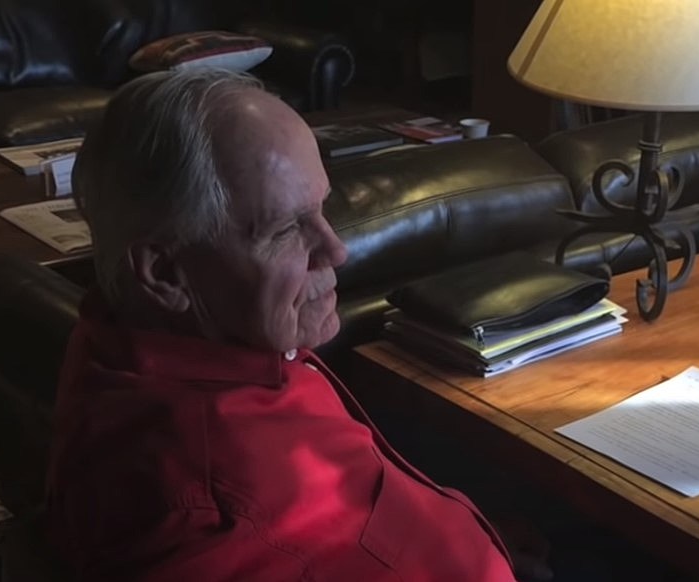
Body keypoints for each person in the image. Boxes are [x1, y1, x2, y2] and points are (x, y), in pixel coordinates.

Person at [44, 68, 549, 581]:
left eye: (322, 207)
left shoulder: (195, 333)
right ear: (165, 274)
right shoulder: (192, 512)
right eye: (285, 229)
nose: (336, 249)